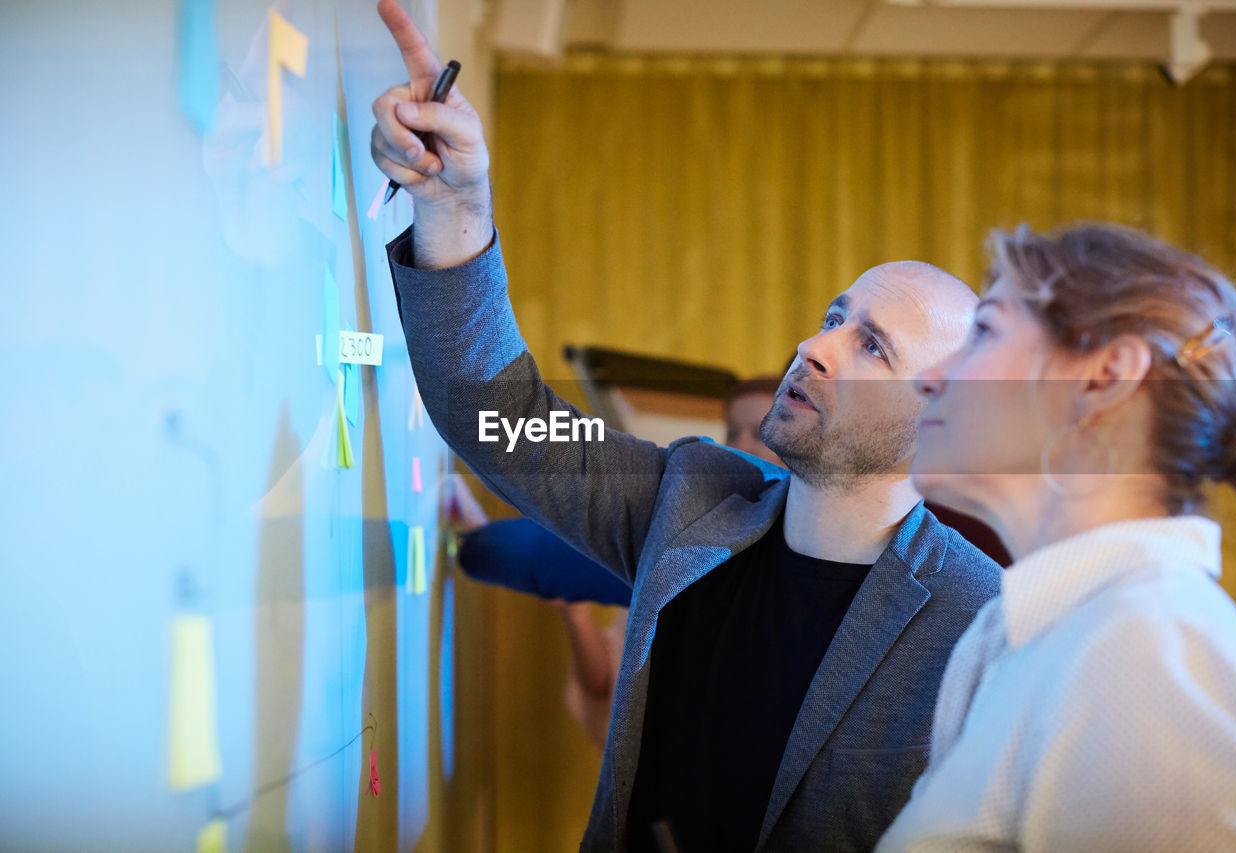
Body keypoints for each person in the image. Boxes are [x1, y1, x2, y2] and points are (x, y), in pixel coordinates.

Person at [369, 2, 1002, 848]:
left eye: (872, 346)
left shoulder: (986, 623)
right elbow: (502, 417)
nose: (813, 346)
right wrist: (455, 206)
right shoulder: (694, 497)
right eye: (832, 316)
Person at [877, 222, 1236, 851]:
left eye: (984, 330)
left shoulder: (1150, 652)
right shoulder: (1018, 634)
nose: (929, 377)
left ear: (1103, 377)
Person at [449, 378, 787, 747]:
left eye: (761, 434)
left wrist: (481, 543)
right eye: (732, 431)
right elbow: (604, 682)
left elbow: (512, 552)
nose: (738, 446)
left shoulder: (717, 547)